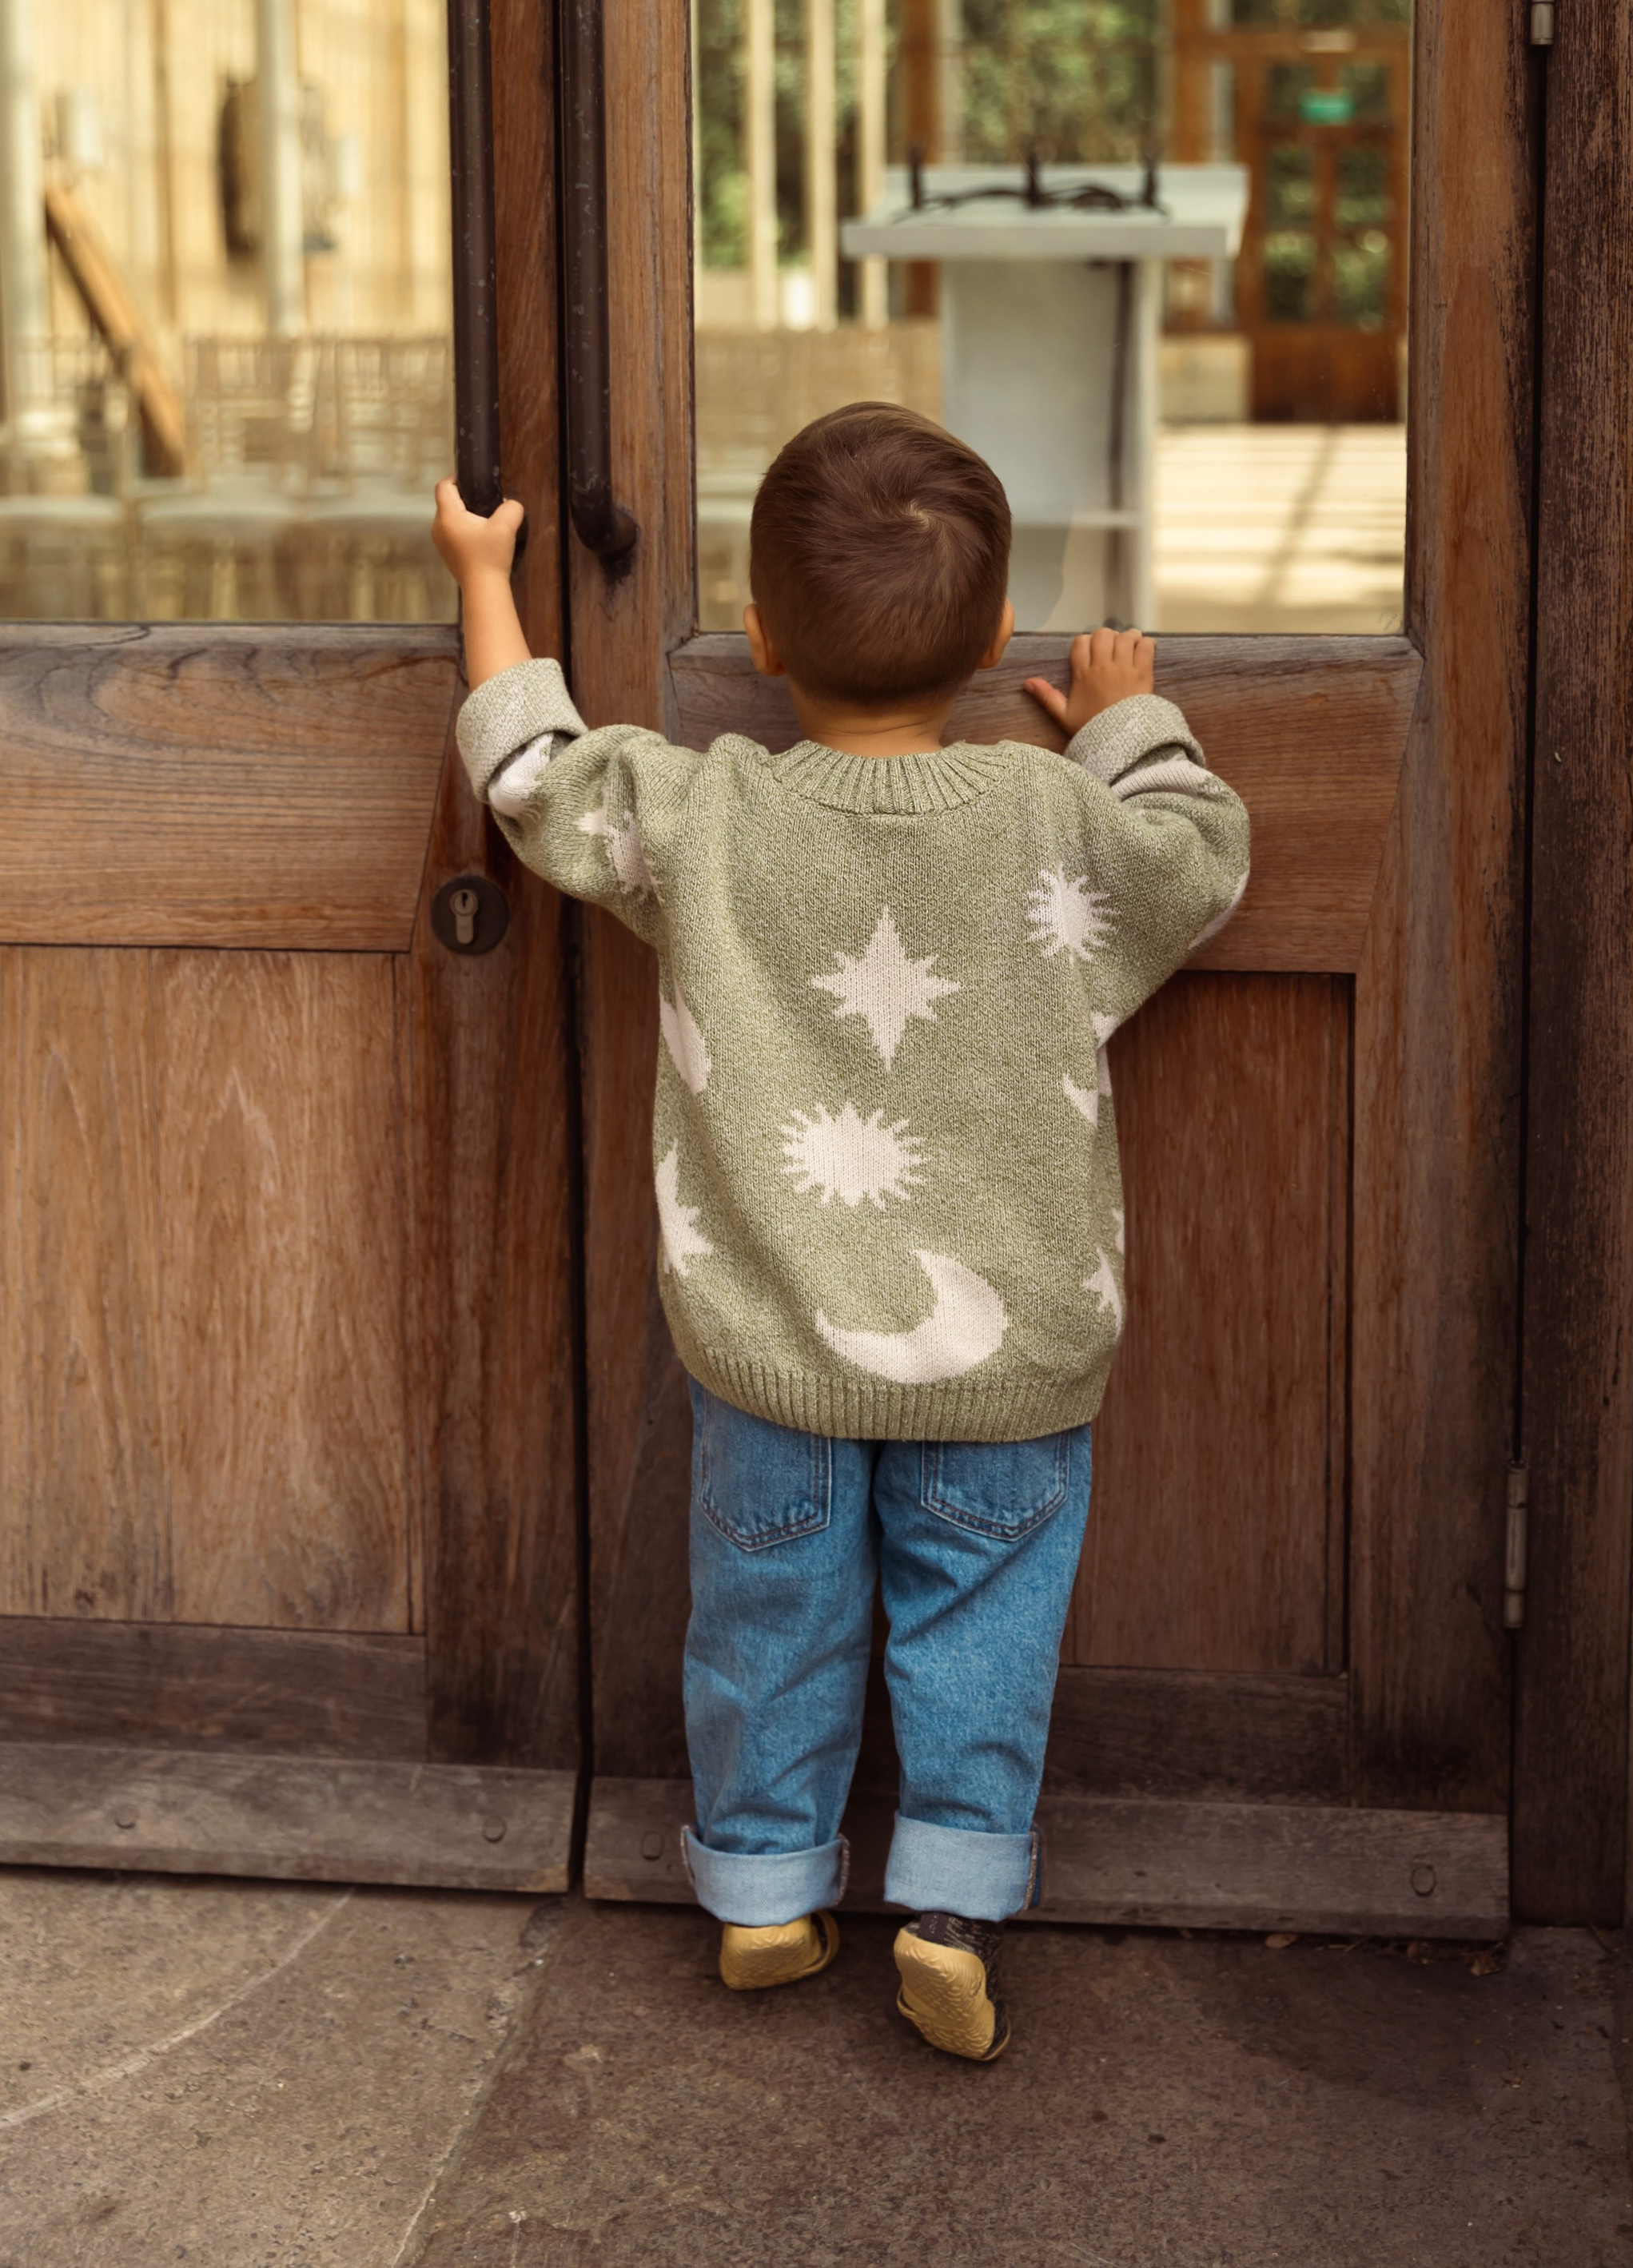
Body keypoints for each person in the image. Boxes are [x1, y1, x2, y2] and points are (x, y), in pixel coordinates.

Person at [432, 402, 1249, 2063]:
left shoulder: (711, 814)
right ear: (991, 638)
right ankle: (949, 1906)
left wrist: (483, 575)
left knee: (765, 1625)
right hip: (1008, 1361)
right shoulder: (1044, 821)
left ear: (759, 634)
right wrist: (1127, 721)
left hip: (771, 1353)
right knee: (982, 1632)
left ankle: (760, 1886)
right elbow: (1199, 856)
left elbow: (532, 776)